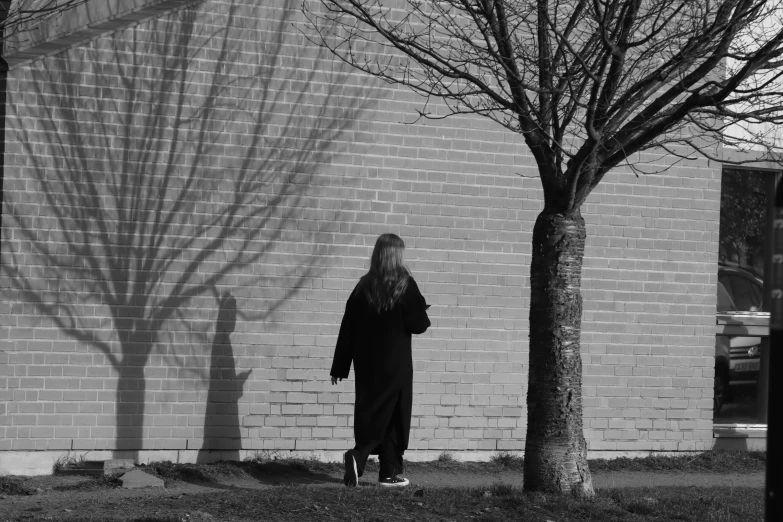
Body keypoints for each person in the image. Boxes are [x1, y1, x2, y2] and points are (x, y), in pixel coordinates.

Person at [330, 233, 431, 487]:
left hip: (366, 366)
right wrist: (420, 306)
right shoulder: (405, 285)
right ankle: (359, 456)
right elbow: (419, 325)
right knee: (394, 414)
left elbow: (348, 328)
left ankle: (389, 472)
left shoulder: (362, 286)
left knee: (374, 413)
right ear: (397, 255)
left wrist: (340, 366)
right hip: (395, 364)